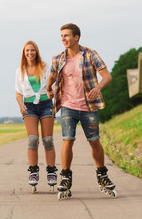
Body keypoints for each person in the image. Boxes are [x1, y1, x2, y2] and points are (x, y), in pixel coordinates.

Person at [47, 23, 115, 196]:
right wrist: (49, 88)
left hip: (88, 106)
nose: (63, 39)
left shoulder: (90, 55)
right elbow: (53, 77)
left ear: (76, 37)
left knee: (94, 141)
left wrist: (98, 88)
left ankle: (102, 174)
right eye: (62, 36)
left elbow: (107, 76)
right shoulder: (58, 59)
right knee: (67, 140)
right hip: (68, 106)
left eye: (67, 35)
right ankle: (66, 177)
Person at [15, 41, 57, 191]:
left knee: (48, 140)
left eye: (32, 50)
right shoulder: (20, 70)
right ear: (24, 53)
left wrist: (53, 94)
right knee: (33, 140)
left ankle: (51, 171)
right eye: (27, 51)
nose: (30, 53)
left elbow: (54, 84)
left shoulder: (45, 67)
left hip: (46, 104)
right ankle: (33, 171)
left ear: (36, 51)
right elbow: (18, 93)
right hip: (29, 107)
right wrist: (21, 105)